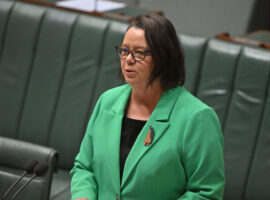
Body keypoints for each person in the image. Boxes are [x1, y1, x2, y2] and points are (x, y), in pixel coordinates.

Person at [70, 13, 224, 200]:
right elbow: (84, 167)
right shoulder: (107, 102)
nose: (128, 59)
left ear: (163, 58)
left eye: (139, 53)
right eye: (124, 50)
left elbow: (206, 193)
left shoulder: (197, 118)